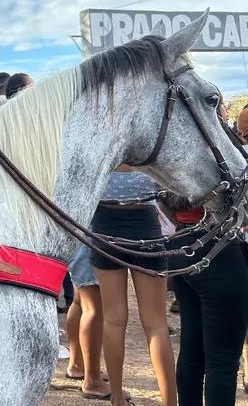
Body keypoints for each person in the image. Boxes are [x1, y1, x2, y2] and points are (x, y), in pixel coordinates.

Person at [164, 104, 248, 406]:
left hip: (183, 245)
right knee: (223, 361)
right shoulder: (223, 152)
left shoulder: (176, 152)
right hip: (221, 251)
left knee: (192, 351)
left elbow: (167, 200)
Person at [92, 168, 177, 406]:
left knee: (113, 320)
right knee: (156, 324)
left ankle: (117, 399)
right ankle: (171, 402)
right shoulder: (146, 149)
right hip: (145, 225)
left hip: (104, 226)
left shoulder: (104, 147)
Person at [66, 243, 111, 400]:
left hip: (79, 236)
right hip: (90, 236)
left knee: (80, 301)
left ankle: (77, 365)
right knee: (94, 307)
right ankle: (92, 381)